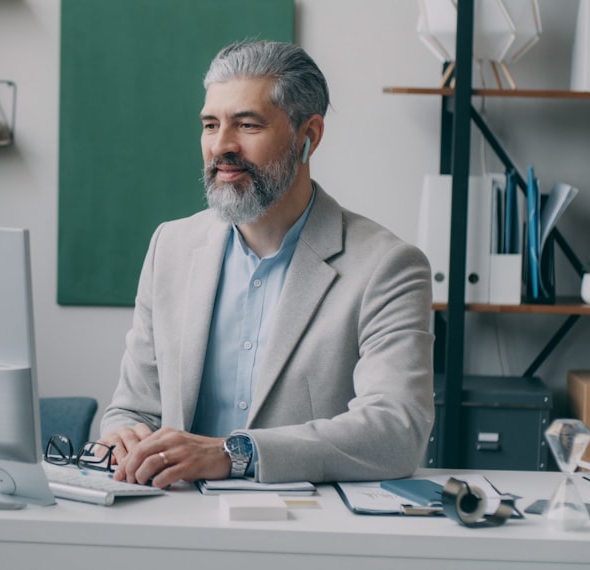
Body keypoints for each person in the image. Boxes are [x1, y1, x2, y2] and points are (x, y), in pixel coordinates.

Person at [99, 40, 434, 487]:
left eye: (247, 125)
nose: (221, 146)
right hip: (175, 524)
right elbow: (133, 407)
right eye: (210, 124)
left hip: (307, 536)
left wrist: (233, 454)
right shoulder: (170, 248)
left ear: (308, 137)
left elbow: (396, 432)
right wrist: (122, 435)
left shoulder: (389, 266)